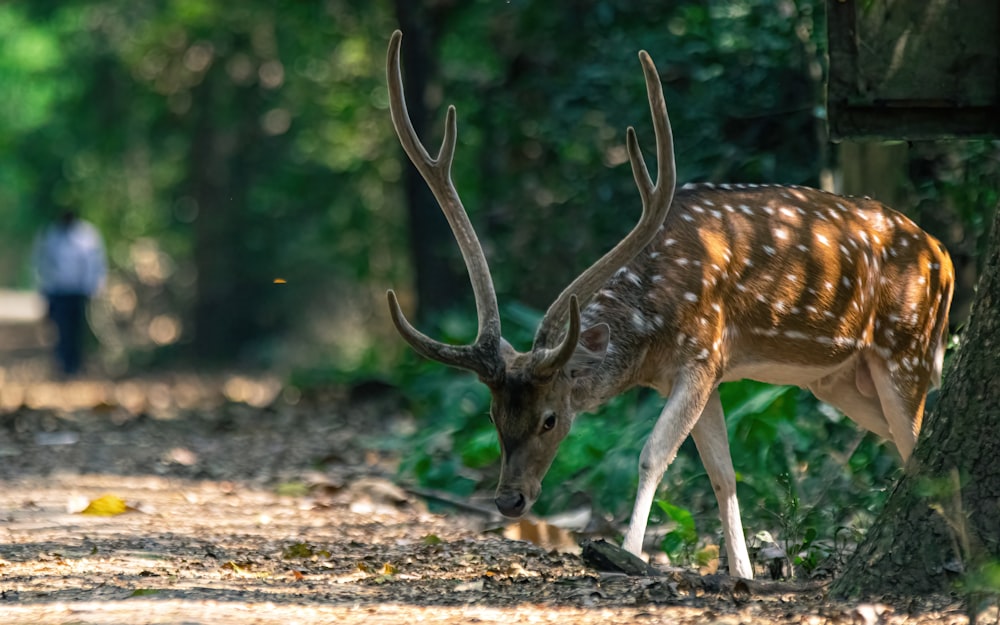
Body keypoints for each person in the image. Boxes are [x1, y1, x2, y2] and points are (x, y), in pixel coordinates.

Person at [32, 210, 107, 376]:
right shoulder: (51, 235)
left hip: (79, 292)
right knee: (61, 328)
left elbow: (96, 263)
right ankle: (63, 363)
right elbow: (42, 262)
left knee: (78, 329)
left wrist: (94, 287)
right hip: (58, 291)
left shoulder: (87, 235)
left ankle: (76, 364)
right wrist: (44, 287)